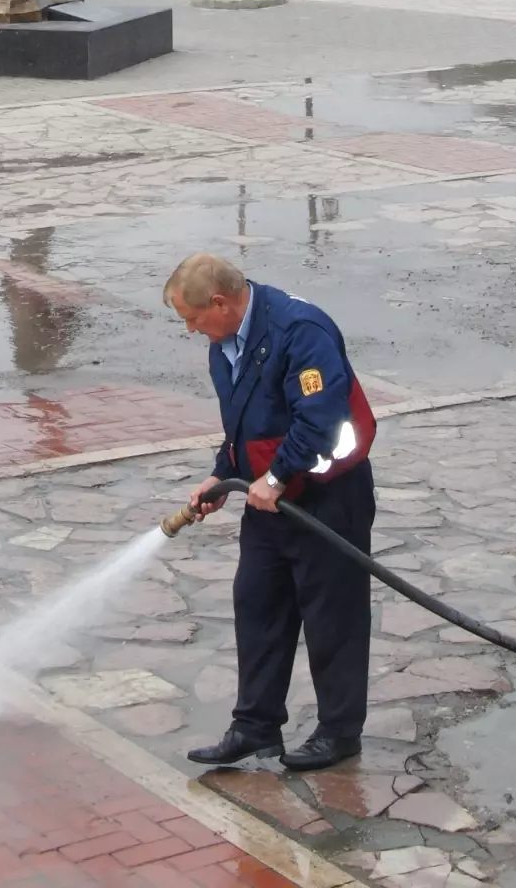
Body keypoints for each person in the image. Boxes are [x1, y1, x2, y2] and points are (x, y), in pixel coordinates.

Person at [164, 254, 376, 772]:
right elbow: (244, 424)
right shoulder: (225, 343)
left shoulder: (300, 331)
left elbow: (320, 419)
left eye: (192, 317)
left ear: (220, 302)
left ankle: (339, 732)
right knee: (257, 604)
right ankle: (255, 726)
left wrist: (278, 477)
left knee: (332, 617)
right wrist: (223, 473)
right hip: (268, 498)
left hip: (327, 496)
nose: (190, 330)